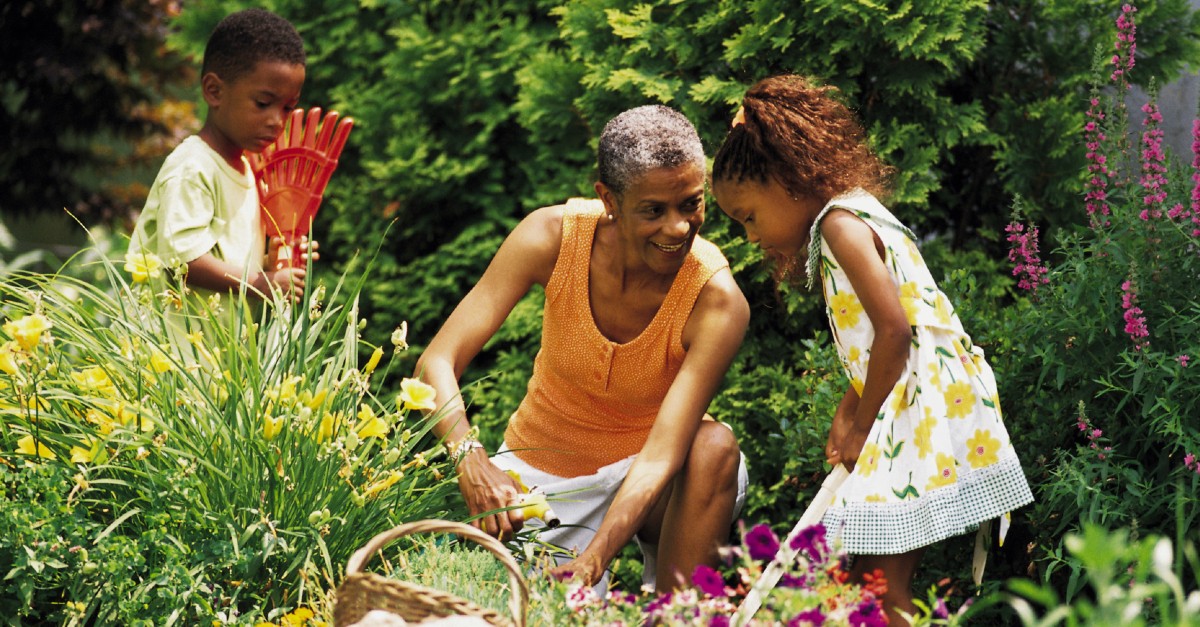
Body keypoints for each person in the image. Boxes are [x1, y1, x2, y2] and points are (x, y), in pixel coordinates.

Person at [711, 74, 1034, 623]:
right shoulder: (850, 213)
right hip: (917, 400)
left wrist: (863, 425)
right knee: (866, 580)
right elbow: (879, 343)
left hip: (918, 409)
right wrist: (849, 407)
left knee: (881, 584)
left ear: (787, 178)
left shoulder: (840, 226)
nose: (751, 236)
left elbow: (894, 330)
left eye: (748, 215)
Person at [415, 105, 751, 593]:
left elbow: (660, 457)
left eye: (691, 203)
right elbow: (437, 360)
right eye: (654, 210)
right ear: (608, 199)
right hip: (543, 478)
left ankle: (678, 616)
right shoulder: (550, 238)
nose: (678, 227)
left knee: (714, 446)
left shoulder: (715, 299)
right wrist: (471, 459)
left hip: (651, 480)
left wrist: (593, 560)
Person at [128, 8, 312, 305]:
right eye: (264, 103)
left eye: (288, 108)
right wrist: (257, 283)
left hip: (220, 349)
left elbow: (231, 258)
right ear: (214, 91)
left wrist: (272, 261)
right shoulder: (193, 166)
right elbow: (183, 260)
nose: (277, 121)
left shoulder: (248, 171)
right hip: (175, 349)